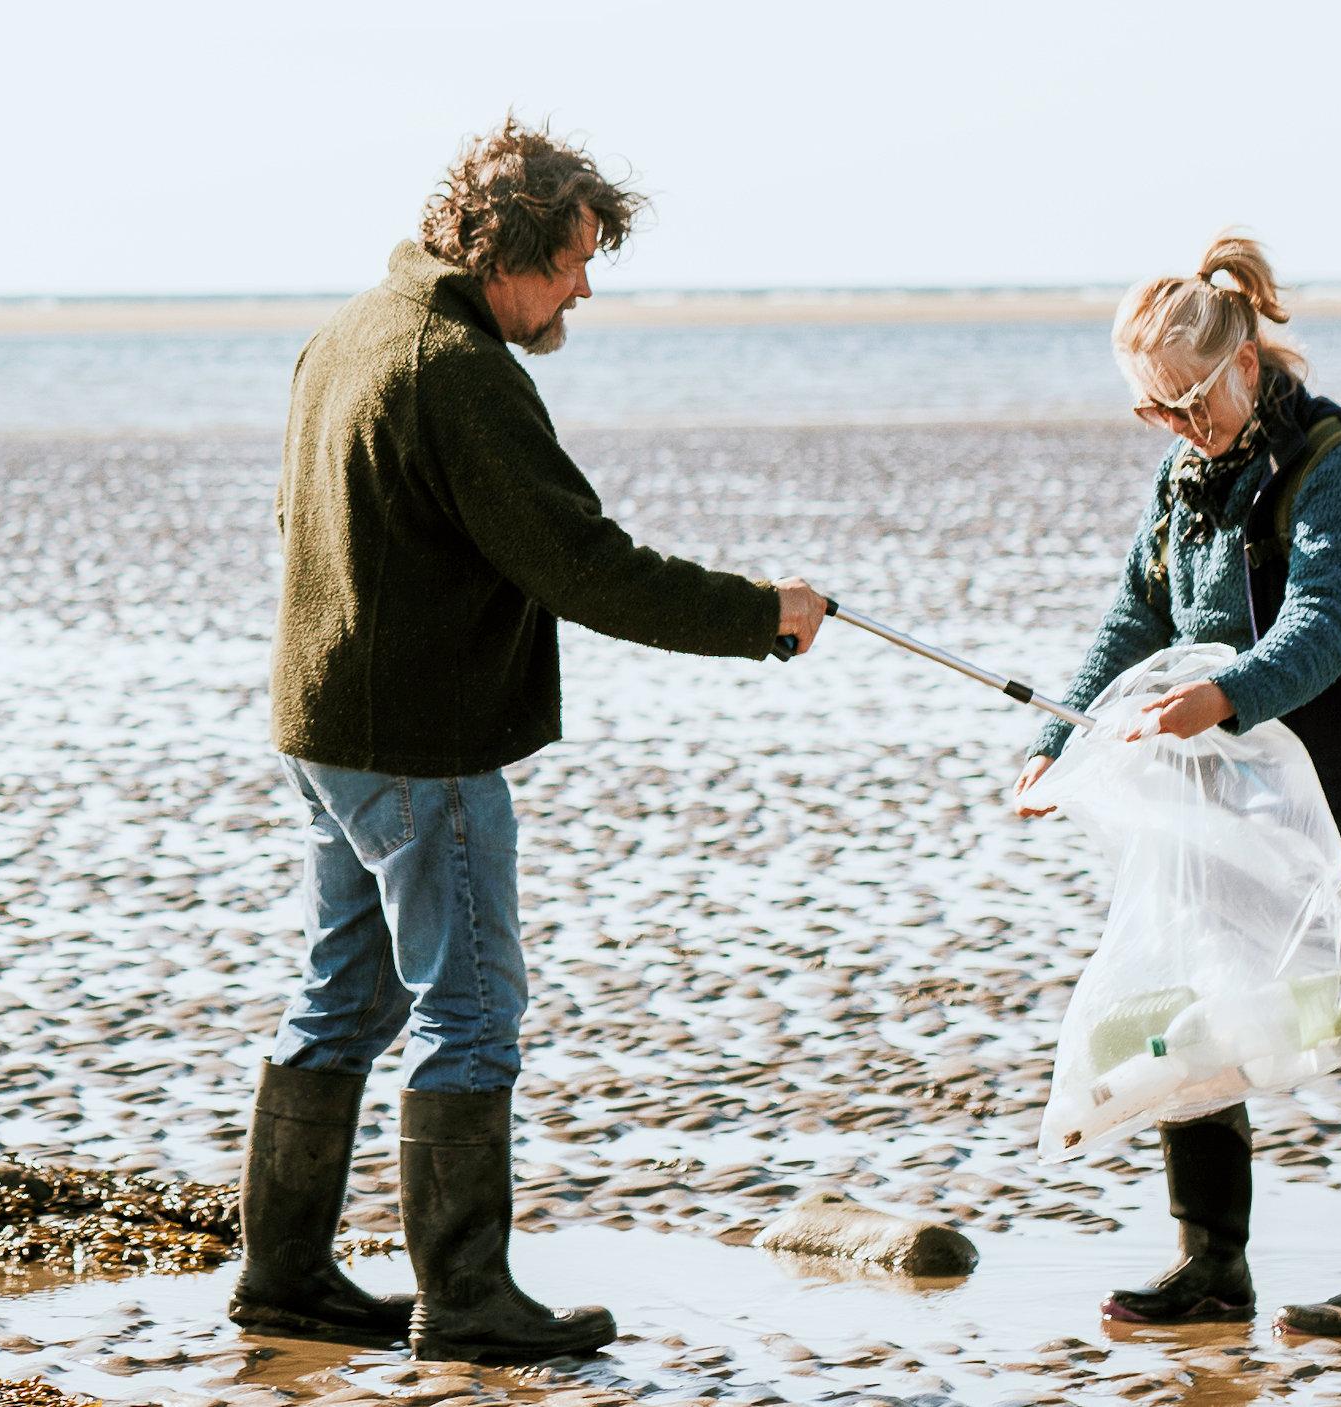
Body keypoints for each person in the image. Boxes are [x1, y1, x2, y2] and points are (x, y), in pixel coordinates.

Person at [232, 117, 829, 1363]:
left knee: (342, 999)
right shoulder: (452, 366)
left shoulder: (347, 332)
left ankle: (286, 1285)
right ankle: (468, 1301)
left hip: (325, 729)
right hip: (416, 745)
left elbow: (294, 519)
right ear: (508, 251)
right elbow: (580, 563)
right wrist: (760, 615)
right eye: (573, 260)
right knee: (476, 1006)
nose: (584, 288)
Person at [1015, 231, 1341, 1341]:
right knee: (1191, 997)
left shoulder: (1336, 465)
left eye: (1188, 404)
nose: (1174, 427)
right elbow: (1135, 615)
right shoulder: (1185, 473)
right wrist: (1055, 741)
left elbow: (1327, 623)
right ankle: (1210, 1267)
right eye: (1151, 412)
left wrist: (1222, 697)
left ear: (1246, 368)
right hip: (1215, 783)